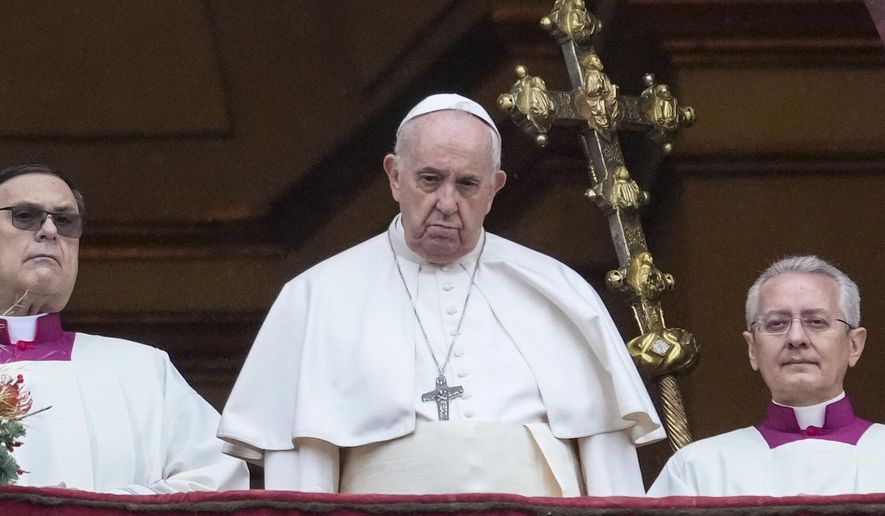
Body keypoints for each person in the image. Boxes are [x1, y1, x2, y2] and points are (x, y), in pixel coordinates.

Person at [218, 94, 664, 497]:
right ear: (395, 177)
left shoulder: (559, 292)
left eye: (467, 184)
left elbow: (608, 469)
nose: (447, 202)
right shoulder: (317, 297)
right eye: (429, 180)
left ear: (495, 188)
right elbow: (303, 466)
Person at [0, 164, 249, 493]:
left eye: (65, 221)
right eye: (25, 216)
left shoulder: (144, 370)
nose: (49, 230)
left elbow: (219, 485)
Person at [648, 255, 880, 496]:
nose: (796, 338)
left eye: (817, 322)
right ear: (752, 349)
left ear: (854, 345)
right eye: (777, 323)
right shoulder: (697, 469)